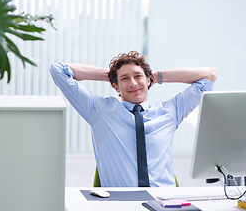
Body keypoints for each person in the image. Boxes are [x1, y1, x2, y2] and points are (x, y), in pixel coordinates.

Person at [50, 51, 218, 187]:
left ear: (148, 80)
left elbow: (209, 76)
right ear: (115, 86)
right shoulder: (100, 111)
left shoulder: (169, 112)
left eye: (138, 76)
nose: (133, 83)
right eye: (125, 79)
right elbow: (58, 70)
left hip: (165, 202)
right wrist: (111, 75)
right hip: (121, 204)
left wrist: (157, 76)